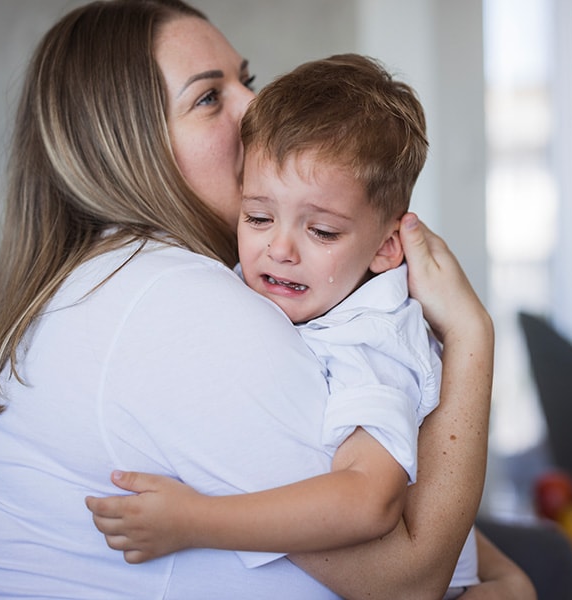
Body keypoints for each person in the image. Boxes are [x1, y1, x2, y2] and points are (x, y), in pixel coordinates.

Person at [0, 1, 533, 598]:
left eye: (244, 80)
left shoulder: (127, 279)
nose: (254, 106)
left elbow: (369, 471)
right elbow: (406, 577)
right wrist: (470, 333)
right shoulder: (172, 300)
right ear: (125, 147)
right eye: (208, 97)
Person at [86, 53, 480, 597]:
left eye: (321, 231)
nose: (279, 249)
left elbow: (372, 500)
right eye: (258, 217)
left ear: (389, 247)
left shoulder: (374, 339)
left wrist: (194, 521)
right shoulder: (254, 287)